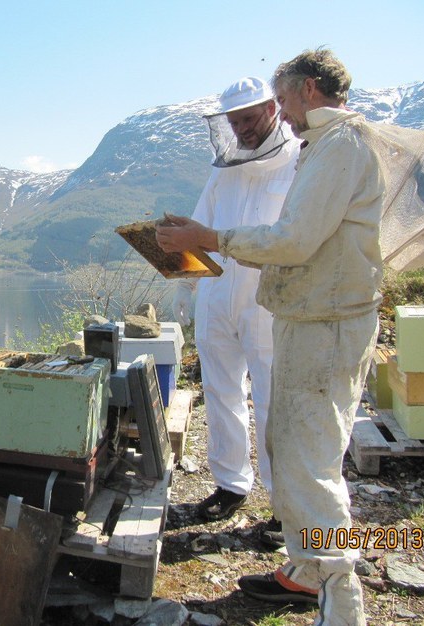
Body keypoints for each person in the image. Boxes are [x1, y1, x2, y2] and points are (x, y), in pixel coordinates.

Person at [156, 48, 384, 625]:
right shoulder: (292, 154)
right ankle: (301, 560)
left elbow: (292, 239)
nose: (268, 118)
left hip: (313, 313)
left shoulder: (331, 148)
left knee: (305, 450)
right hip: (284, 305)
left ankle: (338, 589)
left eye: (276, 104)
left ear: (305, 91)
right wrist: (180, 248)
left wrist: (209, 236)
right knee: (276, 424)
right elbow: (208, 235)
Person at [171, 77, 299, 530]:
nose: (242, 129)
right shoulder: (223, 168)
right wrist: (179, 270)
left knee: (271, 398)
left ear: (271, 110)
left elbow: (294, 239)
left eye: (248, 118)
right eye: (234, 121)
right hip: (217, 291)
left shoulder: (299, 161)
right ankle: (230, 485)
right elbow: (201, 226)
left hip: (269, 296)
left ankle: (285, 508)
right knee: (221, 390)